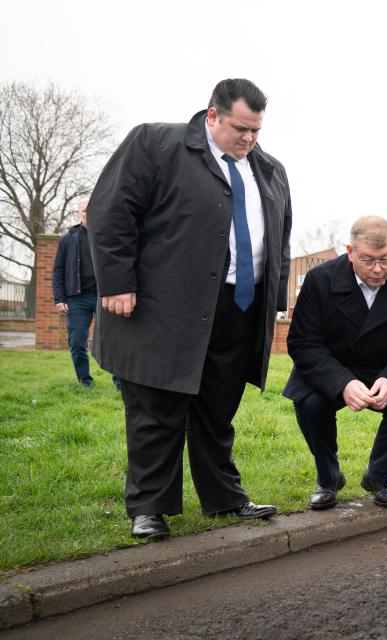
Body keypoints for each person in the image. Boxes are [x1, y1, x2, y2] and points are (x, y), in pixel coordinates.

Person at [87, 79, 292, 540]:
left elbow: (280, 236)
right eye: (241, 128)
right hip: (165, 306)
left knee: (218, 407)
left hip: (239, 306)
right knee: (157, 405)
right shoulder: (156, 144)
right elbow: (111, 211)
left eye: (257, 131)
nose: (249, 139)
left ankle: (224, 498)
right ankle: (150, 508)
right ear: (213, 115)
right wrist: (117, 281)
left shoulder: (270, 170)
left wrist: (273, 302)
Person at [283, 216, 387, 511]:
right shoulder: (320, 280)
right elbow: (303, 342)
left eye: (386, 260)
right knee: (309, 402)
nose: (378, 269)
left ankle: (380, 477)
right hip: (334, 365)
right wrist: (342, 382)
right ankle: (328, 479)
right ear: (350, 251)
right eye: (368, 260)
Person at [51, 201, 119, 389]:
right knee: (77, 342)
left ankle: (120, 382)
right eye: (84, 211)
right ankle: (85, 382)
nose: (88, 214)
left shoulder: (108, 237)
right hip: (77, 298)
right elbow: (58, 270)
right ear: (78, 213)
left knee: (113, 340)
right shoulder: (68, 239)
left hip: (104, 296)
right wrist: (59, 298)